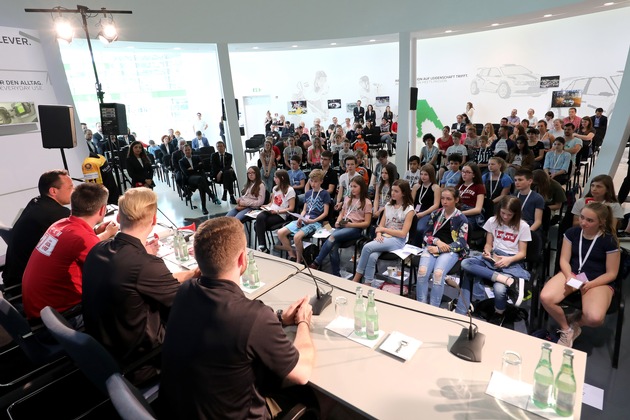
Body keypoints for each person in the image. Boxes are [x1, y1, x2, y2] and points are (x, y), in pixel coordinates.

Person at [160, 217, 315, 419]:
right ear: (243, 259)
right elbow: (302, 373)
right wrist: (303, 322)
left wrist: (279, 319)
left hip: (180, 411)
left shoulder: (185, 291)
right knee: (309, 397)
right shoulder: (253, 316)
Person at [82, 188, 199, 384]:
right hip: (141, 363)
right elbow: (186, 304)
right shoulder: (143, 264)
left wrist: (190, 274)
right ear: (153, 220)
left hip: (104, 350)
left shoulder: (98, 250)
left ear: (118, 218)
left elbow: (153, 281)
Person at [21, 183, 118, 322]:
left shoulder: (60, 224)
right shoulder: (81, 238)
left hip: (38, 311)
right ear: (102, 210)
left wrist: (97, 232)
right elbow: (115, 270)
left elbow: (79, 244)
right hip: (61, 318)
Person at [541, 203, 620, 347]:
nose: (583, 222)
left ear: (601, 222)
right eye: (582, 218)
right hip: (573, 273)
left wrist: (591, 284)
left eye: (590, 220)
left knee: (595, 318)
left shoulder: (609, 241)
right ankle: (566, 329)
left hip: (598, 280)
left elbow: (612, 273)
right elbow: (564, 260)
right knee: (546, 297)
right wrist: (568, 276)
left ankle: (576, 323)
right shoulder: (572, 233)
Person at [455, 196, 531, 324]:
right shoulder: (492, 221)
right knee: (465, 263)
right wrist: (487, 251)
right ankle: (502, 279)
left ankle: (499, 312)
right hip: (493, 257)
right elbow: (488, 244)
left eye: (509, 214)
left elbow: (522, 253)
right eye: (503, 213)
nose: (505, 217)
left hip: (511, 260)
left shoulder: (523, 226)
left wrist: (508, 259)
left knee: (499, 289)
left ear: (516, 214)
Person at [3, 170, 73, 289]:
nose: (74, 191)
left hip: (12, 277)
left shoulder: (35, 202)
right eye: (70, 187)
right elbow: (80, 243)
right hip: (27, 285)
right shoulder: (57, 214)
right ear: (53, 191)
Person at [352, 180, 415, 286]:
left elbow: (403, 233)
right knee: (372, 257)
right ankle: (368, 283)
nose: (392, 193)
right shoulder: (388, 206)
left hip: (398, 240)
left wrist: (383, 230)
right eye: (392, 190)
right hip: (384, 237)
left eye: (396, 191)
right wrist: (379, 234)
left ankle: (356, 279)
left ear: (403, 193)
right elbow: (380, 226)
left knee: (367, 247)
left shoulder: (409, 209)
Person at [416, 188, 469, 306]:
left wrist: (439, 249)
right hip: (432, 246)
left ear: (456, 200)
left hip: (450, 250)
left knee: (438, 274)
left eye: (448, 199)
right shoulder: (436, 213)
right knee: (422, 272)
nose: (444, 201)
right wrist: (436, 241)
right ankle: (421, 306)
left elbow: (461, 243)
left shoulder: (461, 218)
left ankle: (434, 308)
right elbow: (426, 234)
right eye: (442, 198)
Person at [310, 176, 372, 276]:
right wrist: (338, 221)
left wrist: (351, 224)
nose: (352, 189)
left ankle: (316, 262)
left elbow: (367, 223)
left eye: (355, 186)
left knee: (332, 237)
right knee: (333, 246)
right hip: (343, 226)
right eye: (351, 186)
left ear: (361, 187)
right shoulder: (347, 198)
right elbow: (342, 214)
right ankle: (336, 274)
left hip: (355, 228)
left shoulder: (367, 202)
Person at [277, 170, 331, 263]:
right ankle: (292, 255)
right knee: (280, 232)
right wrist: (299, 218)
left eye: (316, 181)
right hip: (305, 219)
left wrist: (314, 221)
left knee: (297, 237)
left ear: (321, 181)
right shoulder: (308, 193)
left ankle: (299, 261)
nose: (313, 184)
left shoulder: (325, 194)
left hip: (316, 222)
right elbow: (304, 210)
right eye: (311, 181)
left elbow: (325, 213)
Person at [255, 170, 296, 254]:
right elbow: (272, 202)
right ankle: (262, 246)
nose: (274, 179)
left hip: (281, 214)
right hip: (271, 211)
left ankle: (262, 247)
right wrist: (266, 206)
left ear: (282, 178)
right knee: (259, 217)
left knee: (257, 225)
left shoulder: (290, 190)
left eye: (276, 177)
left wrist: (277, 211)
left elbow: (291, 208)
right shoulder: (275, 188)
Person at [180, 145, 221, 214]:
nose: (187, 151)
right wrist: (196, 168)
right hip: (190, 178)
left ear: (191, 150)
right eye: (186, 150)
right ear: (183, 151)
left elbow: (202, 166)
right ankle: (211, 195)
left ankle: (204, 207)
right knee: (201, 179)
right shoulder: (181, 161)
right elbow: (186, 172)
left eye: (188, 150)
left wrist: (192, 168)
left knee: (201, 184)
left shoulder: (196, 157)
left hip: (200, 178)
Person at [412, 164, 444, 244]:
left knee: (419, 228)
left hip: (429, 213)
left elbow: (436, 205)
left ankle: (417, 247)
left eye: (426, 174)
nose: (423, 177)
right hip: (415, 211)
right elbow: (411, 202)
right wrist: (412, 211)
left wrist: (422, 213)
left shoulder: (435, 187)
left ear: (431, 175)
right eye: (421, 174)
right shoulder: (416, 186)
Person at [513, 169, 545, 233]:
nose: (517, 182)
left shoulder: (537, 198)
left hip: (529, 228)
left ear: (530, 181)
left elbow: (538, 221)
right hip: (514, 226)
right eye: (515, 180)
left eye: (520, 180)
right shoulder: (513, 196)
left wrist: (528, 232)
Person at [457, 162, 486, 231]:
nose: (464, 174)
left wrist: (460, 213)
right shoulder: (458, 186)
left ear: (474, 175)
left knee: (460, 225)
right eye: (463, 172)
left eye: (468, 172)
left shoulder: (479, 187)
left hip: (471, 215)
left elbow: (478, 209)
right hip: (458, 210)